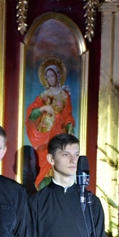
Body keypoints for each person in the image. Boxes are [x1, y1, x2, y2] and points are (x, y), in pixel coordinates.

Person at [25, 60, 76, 189]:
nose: (50, 79)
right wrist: (43, 109)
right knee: (44, 161)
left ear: (58, 76)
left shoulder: (64, 96)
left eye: (52, 75)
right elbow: (32, 114)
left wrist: (69, 128)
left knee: (58, 159)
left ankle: (58, 189)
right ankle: (43, 189)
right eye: (48, 77)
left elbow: (68, 115)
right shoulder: (44, 96)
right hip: (44, 134)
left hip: (59, 133)